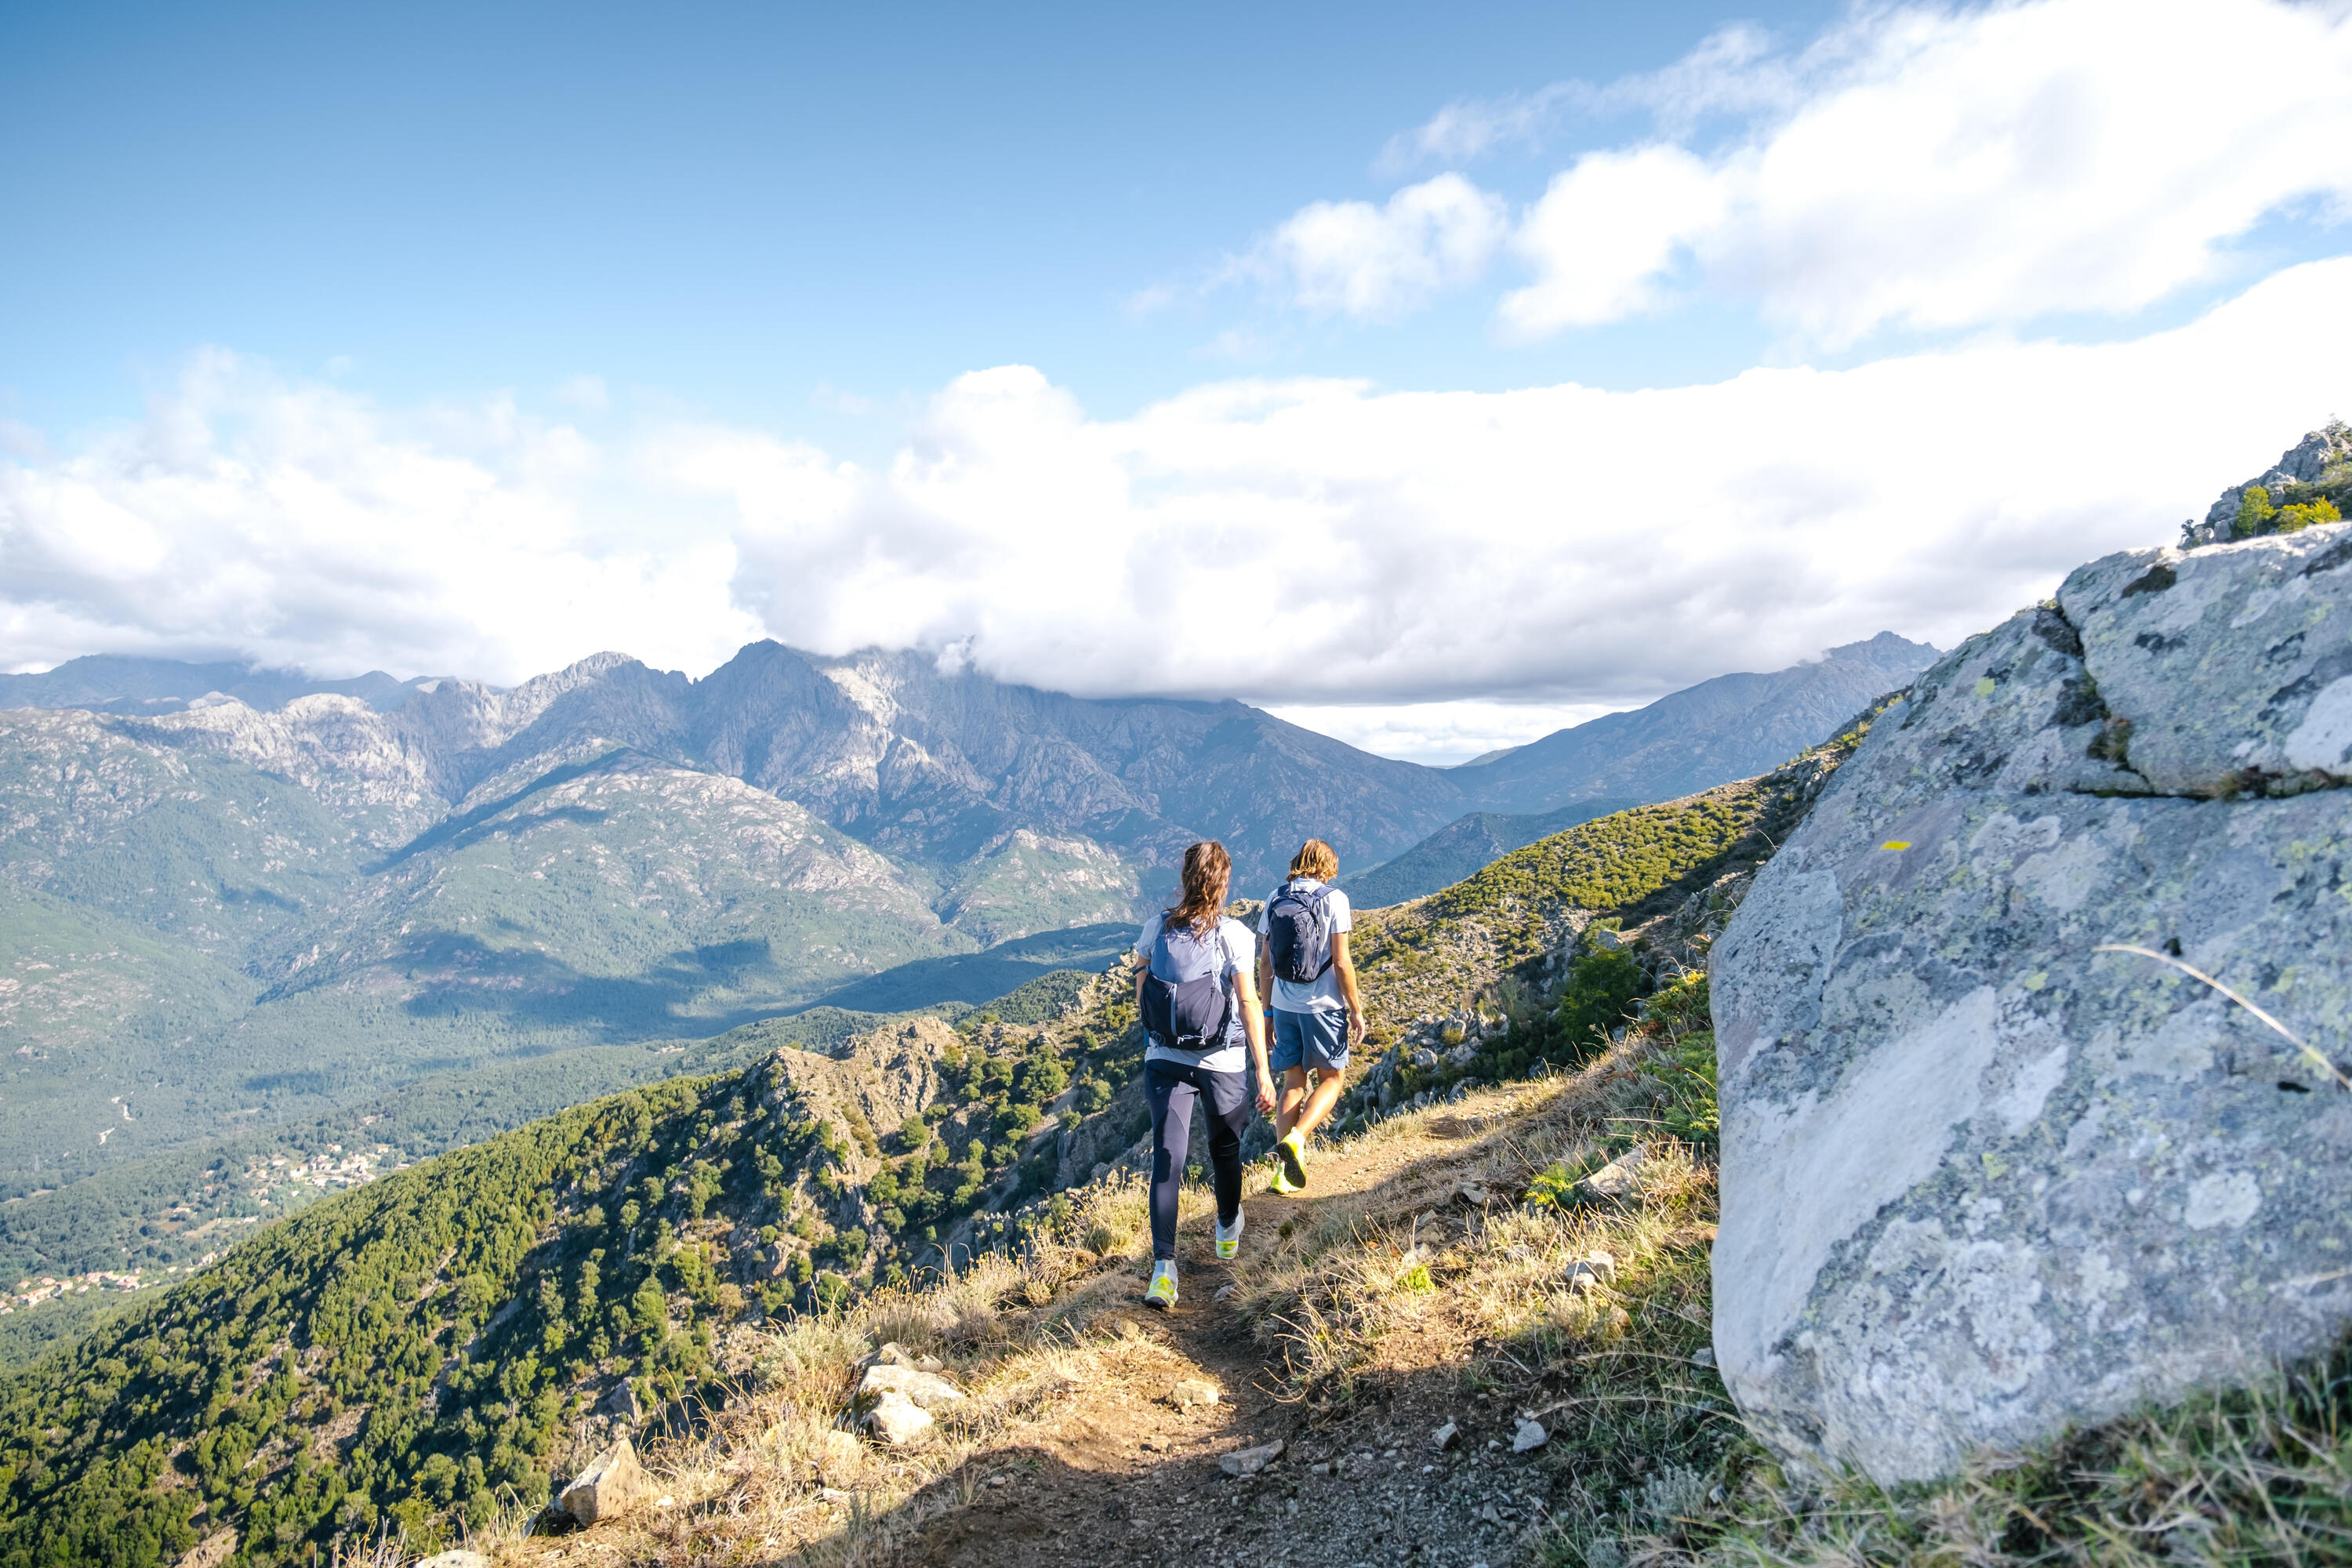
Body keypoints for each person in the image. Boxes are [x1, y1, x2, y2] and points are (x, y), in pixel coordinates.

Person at [1134, 840, 1276, 1310]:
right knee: (1225, 1148)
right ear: (1224, 882)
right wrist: (1263, 1069)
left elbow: (1141, 987)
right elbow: (1250, 1003)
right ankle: (1226, 1226)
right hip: (1222, 1060)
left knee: (1167, 1160)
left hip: (1164, 1057)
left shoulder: (1156, 927)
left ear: (1186, 878)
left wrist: (1158, 1032)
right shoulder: (1234, 934)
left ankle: (1163, 1271)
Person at [1256, 838, 1363, 1193]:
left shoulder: (1275, 897)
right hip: (1325, 1007)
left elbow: (1266, 962)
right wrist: (1356, 1009)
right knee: (1332, 1079)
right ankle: (1299, 1138)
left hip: (1285, 1006)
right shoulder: (1336, 899)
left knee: (1293, 1083)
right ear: (1327, 867)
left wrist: (1267, 1010)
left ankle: (1283, 1175)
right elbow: (1343, 961)